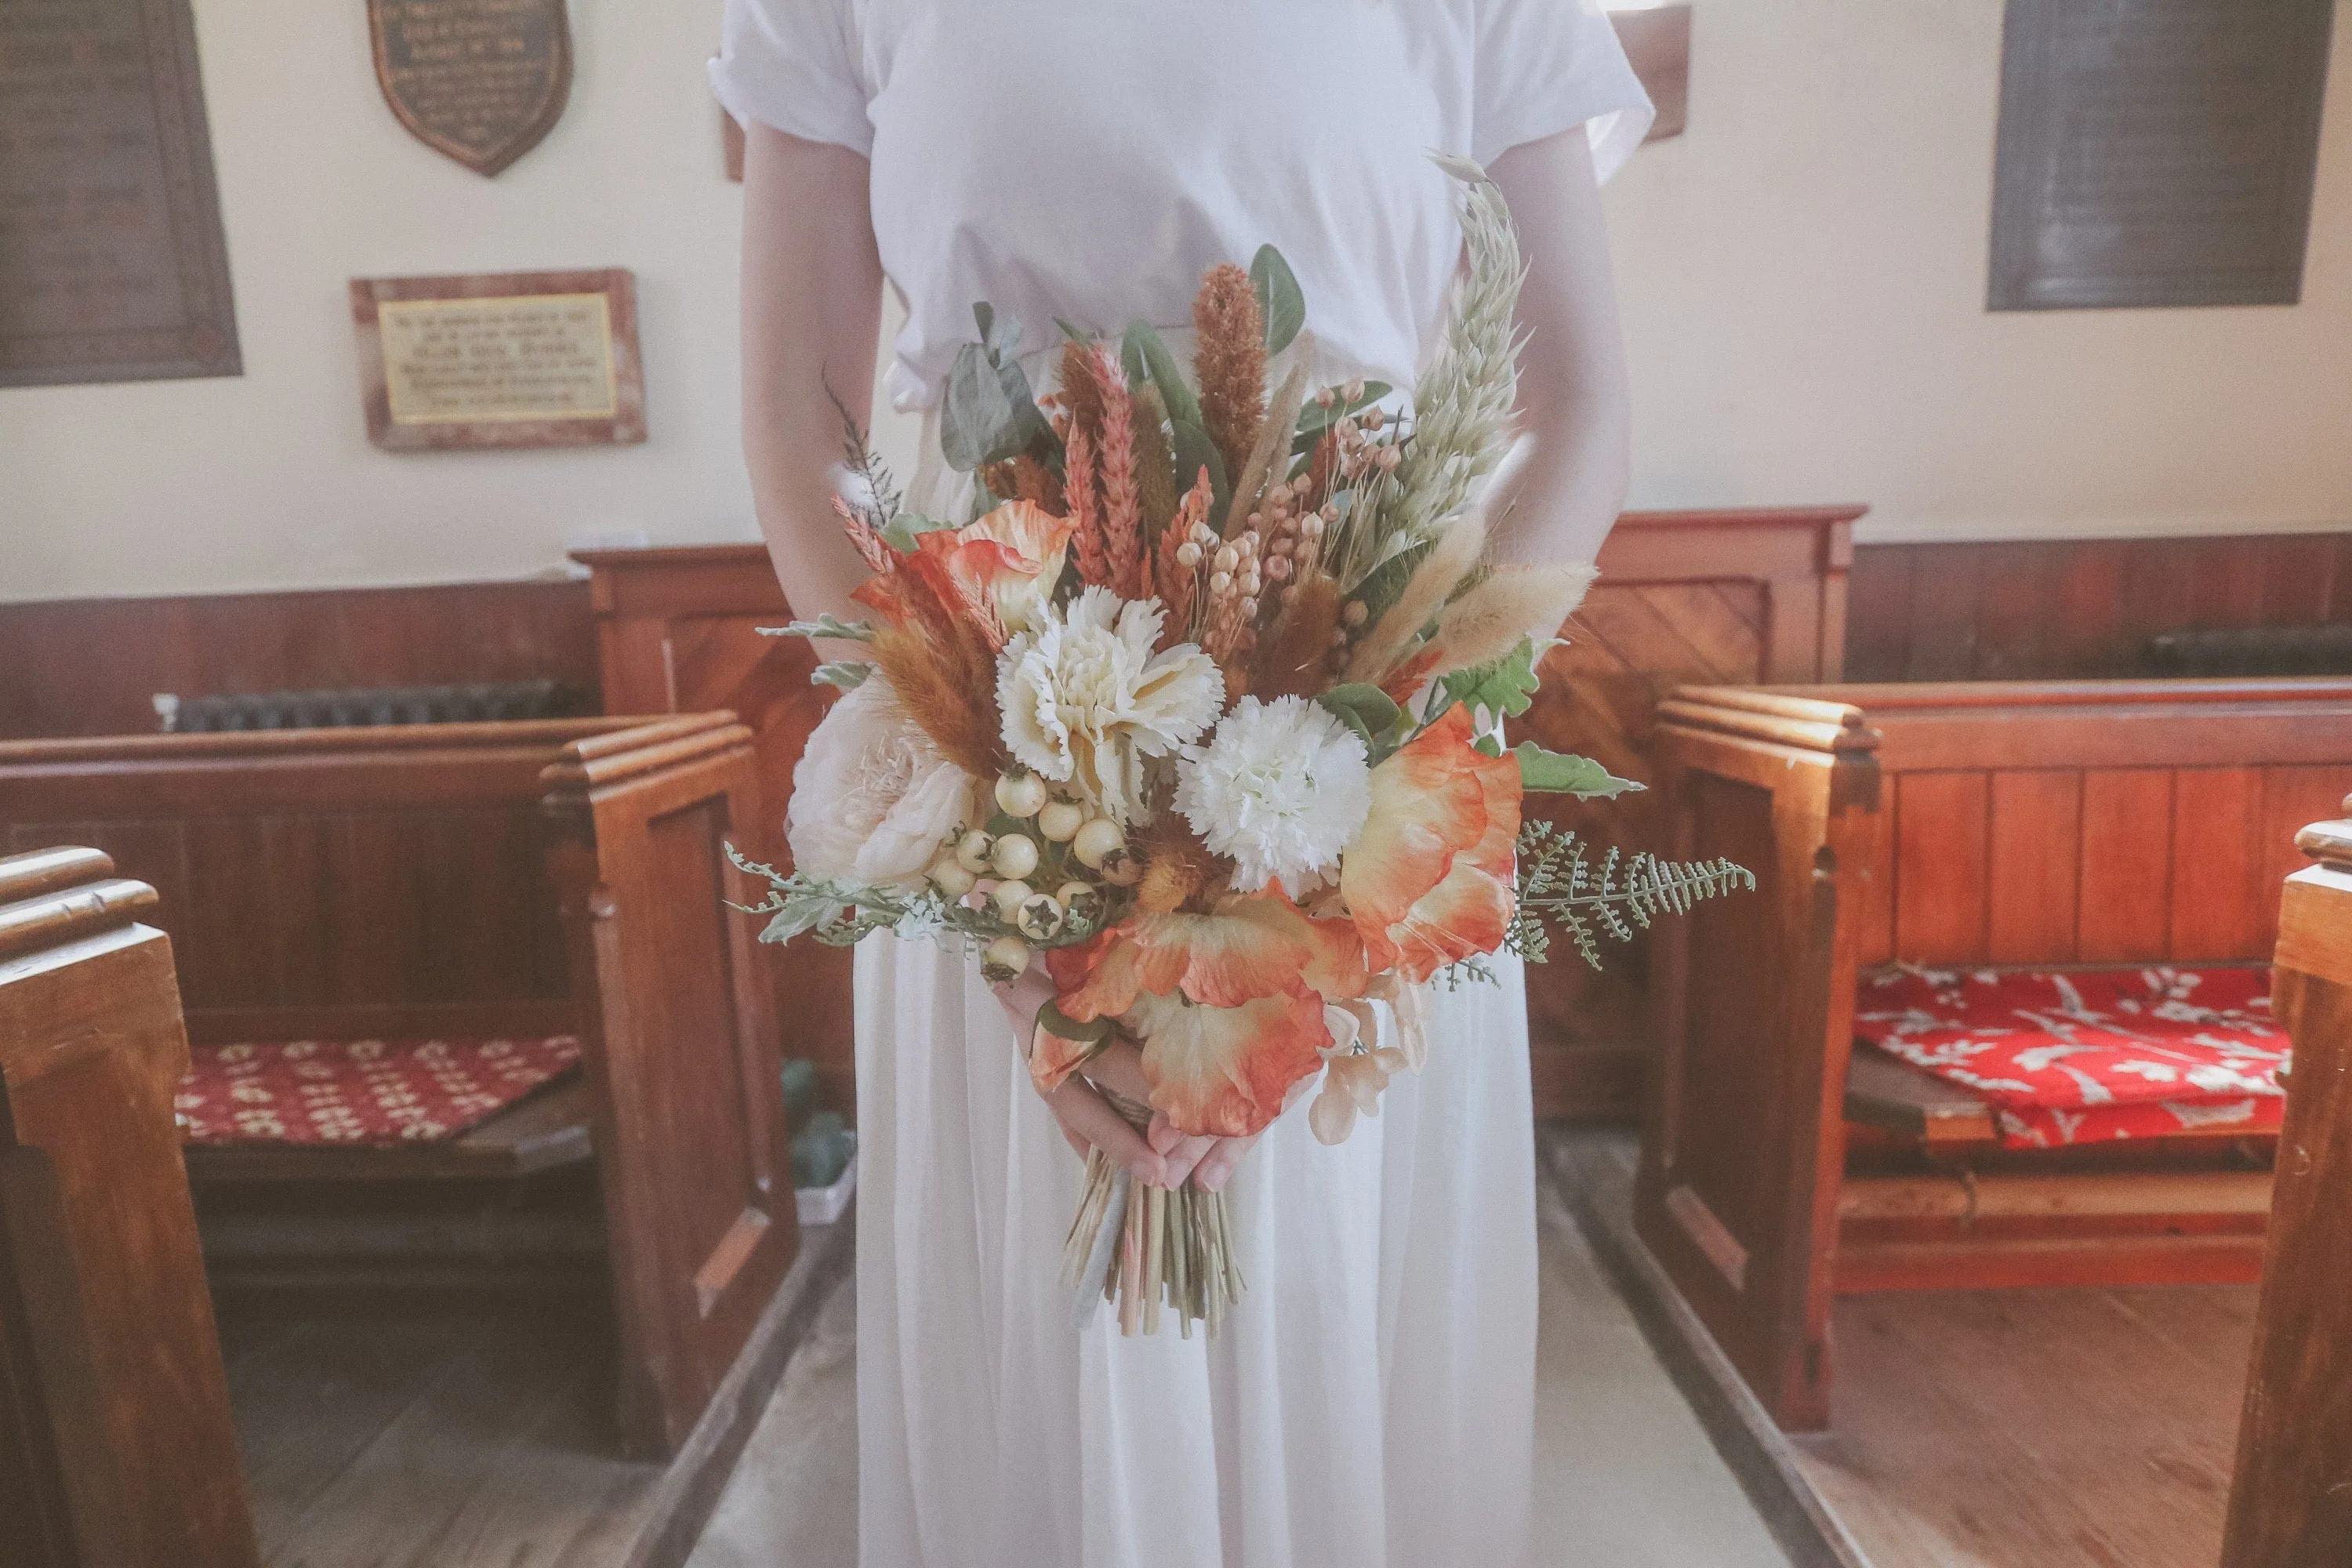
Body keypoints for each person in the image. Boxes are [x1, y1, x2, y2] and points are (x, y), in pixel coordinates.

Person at [713, 5, 1650, 1563]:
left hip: (1369, 700)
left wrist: (1391, 739)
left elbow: (1581, 405)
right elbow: (793, 406)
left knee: (1328, 1280)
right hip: (989, 689)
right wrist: (972, 808)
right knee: (1055, 1304)